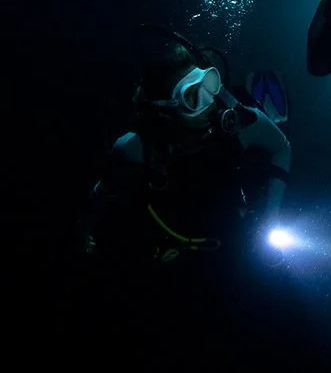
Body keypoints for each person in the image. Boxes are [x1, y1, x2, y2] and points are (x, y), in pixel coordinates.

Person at [80, 26, 292, 276]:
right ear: (163, 109)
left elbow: (281, 147)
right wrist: (85, 230)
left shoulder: (244, 123)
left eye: (208, 84)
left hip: (235, 237)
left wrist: (270, 218)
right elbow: (104, 191)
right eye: (192, 97)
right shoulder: (135, 148)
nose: (211, 101)